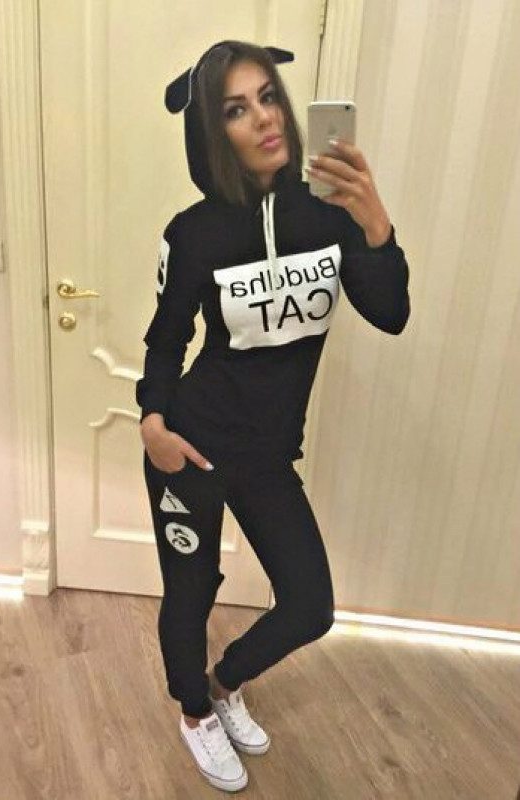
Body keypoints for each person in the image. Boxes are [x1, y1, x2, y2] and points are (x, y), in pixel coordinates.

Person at [137, 40, 411, 793]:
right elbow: (167, 339)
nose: (264, 118)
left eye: (267, 97)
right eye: (236, 108)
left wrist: (375, 224)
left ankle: (222, 685)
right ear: (211, 132)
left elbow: (390, 313)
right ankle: (194, 712)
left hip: (266, 455)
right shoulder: (193, 232)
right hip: (190, 444)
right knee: (190, 593)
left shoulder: (329, 214)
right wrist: (154, 423)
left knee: (310, 605)